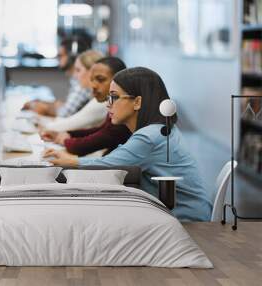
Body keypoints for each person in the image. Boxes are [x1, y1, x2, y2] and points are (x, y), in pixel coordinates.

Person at [43, 67, 212, 222]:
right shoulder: (159, 130)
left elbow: (106, 166)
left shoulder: (150, 137)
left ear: (137, 102)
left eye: (114, 97)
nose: (108, 103)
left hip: (188, 222)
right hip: (185, 214)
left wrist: (69, 160)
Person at [40, 57, 131, 156]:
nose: (93, 86)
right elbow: (102, 130)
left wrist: (66, 140)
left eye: (100, 79)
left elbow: (105, 136)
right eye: (91, 80)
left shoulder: (119, 108)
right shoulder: (111, 102)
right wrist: (70, 134)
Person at [22, 38, 90, 117]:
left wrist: (44, 108)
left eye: (60, 56)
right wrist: (47, 104)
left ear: (72, 57)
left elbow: (64, 114)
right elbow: (66, 106)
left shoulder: (81, 83)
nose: (58, 59)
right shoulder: (75, 80)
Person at [43, 50, 107, 132]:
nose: (75, 76)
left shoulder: (101, 101)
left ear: (92, 71)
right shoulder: (96, 96)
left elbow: (70, 123)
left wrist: (39, 123)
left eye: (78, 70)